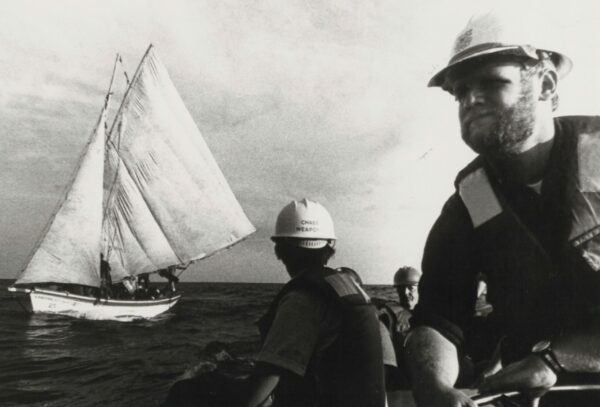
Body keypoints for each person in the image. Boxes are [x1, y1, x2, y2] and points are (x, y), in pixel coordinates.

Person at [404, 11, 600, 407]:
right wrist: (433, 385)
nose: (469, 101)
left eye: (491, 83)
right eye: (459, 92)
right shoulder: (474, 200)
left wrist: (554, 360)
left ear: (545, 84)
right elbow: (440, 315)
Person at [246, 198, 385, 407]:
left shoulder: (303, 297)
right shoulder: (352, 289)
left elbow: (269, 376)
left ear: (279, 251)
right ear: (330, 248)